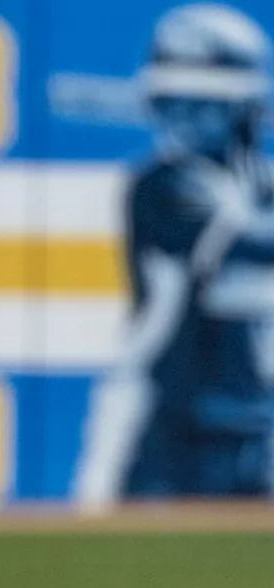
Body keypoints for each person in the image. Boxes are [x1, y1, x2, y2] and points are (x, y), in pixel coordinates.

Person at [76, 3, 274, 508]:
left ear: (244, 109)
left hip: (258, 428)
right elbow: (249, 243)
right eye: (173, 102)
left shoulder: (262, 184)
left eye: (202, 104)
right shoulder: (162, 187)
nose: (184, 118)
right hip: (169, 422)